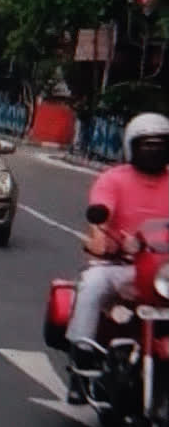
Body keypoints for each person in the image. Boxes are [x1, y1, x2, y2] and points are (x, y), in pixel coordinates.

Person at [66, 112, 169, 404]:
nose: (154, 150)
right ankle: (81, 366)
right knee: (92, 284)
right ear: (131, 147)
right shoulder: (113, 179)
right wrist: (102, 239)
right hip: (122, 265)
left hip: (163, 273)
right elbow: (101, 213)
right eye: (146, 144)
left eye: (161, 144)